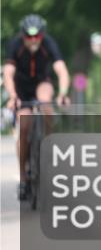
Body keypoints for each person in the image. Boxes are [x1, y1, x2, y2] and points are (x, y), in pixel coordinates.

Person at [3, 14, 70, 200]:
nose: (33, 40)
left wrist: (63, 93)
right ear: (22, 35)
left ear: (42, 35)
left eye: (37, 36)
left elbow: (61, 70)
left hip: (42, 83)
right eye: (29, 37)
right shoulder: (15, 45)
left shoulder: (48, 43)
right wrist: (13, 96)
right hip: (21, 89)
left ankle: (47, 145)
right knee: (24, 126)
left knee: (46, 105)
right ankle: (24, 178)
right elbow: (8, 73)